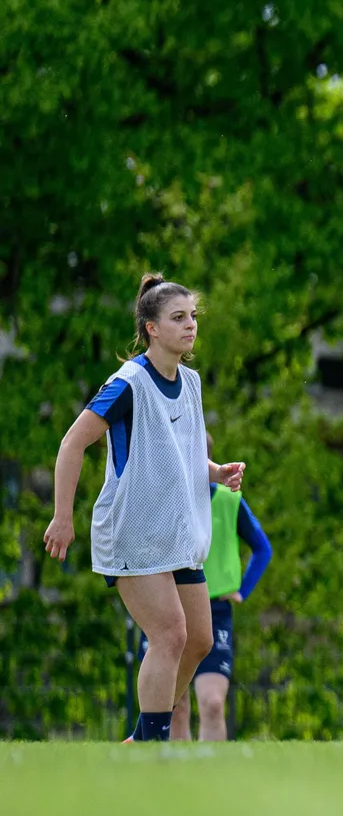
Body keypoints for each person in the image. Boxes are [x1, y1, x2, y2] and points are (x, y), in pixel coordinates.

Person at [42, 274, 246, 743]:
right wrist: (62, 516)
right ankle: (151, 747)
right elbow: (72, 444)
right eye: (178, 318)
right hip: (133, 531)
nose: (190, 325)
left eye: (193, 316)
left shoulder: (191, 383)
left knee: (199, 640)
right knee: (171, 635)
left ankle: (141, 737)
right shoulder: (129, 383)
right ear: (152, 328)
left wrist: (214, 472)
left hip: (175, 533)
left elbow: (184, 453)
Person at [153, 434, 274, 741]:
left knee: (212, 702)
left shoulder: (228, 500)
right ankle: (177, 780)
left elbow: (263, 548)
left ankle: (213, 777)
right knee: (174, 705)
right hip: (172, 608)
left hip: (215, 609)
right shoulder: (162, 500)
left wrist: (242, 590)